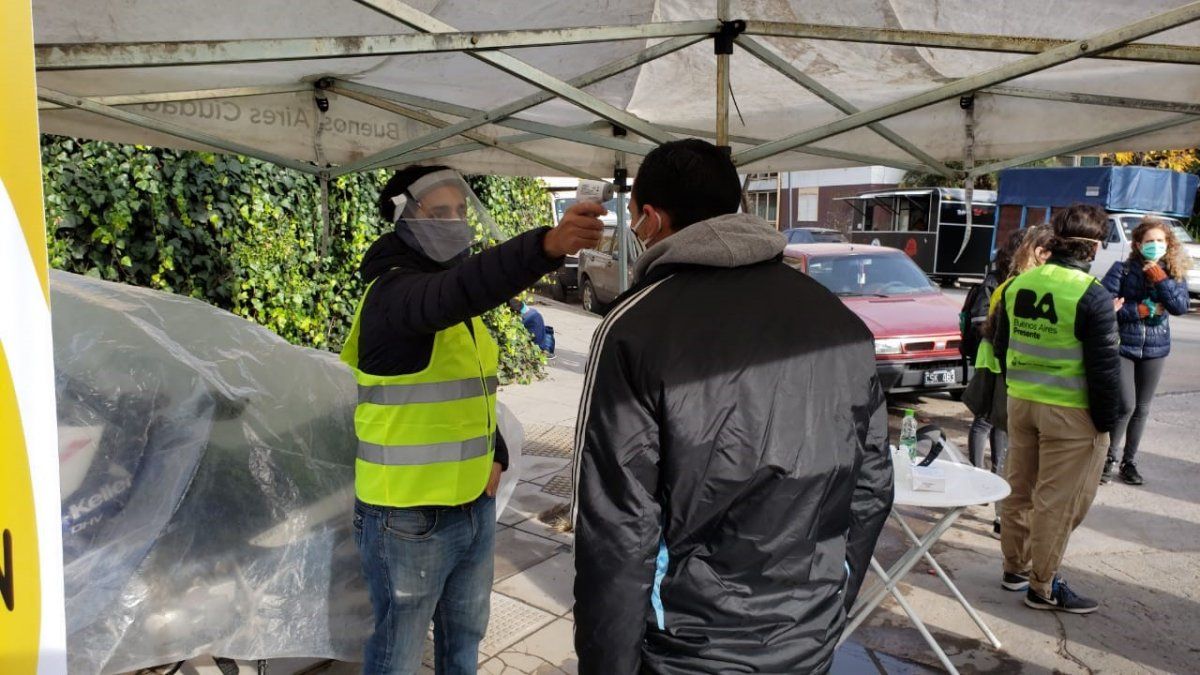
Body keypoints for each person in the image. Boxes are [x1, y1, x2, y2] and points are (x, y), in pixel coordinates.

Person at [572, 139, 893, 673]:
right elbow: (871, 486)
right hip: (807, 637)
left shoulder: (633, 328)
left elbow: (616, 529)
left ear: (651, 218)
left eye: (632, 219)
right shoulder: (837, 319)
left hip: (688, 651)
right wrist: (830, 605)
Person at [341, 165, 602, 674]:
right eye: (439, 213)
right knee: (396, 655)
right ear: (403, 221)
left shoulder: (452, 300)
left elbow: (471, 394)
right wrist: (545, 245)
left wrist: (498, 453)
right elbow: (460, 289)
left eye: (461, 211)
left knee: (463, 644)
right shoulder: (392, 297)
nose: (456, 223)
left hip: (472, 505)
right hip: (406, 516)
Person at [992, 205, 1124, 614]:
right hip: (1070, 412)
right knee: (1057, 501)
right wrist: (1106, 424)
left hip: (1022, 403)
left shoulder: (1020, 284)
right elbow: (1104, 370)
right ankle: (1043, 586)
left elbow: (1001, 347)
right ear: (1094, 246)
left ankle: (1014, 569)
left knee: (1020, 488)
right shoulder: (1093, 295)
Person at [1100, 218, 1191, 486]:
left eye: (1160, 241)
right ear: (1138, 244)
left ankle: (1129, 462)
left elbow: (1179, 306)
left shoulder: (1173, 272)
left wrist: (1160, 279)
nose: (1155, 246)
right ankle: (1108, 458)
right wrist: (1140, 311)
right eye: (1149, 241)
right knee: (1125, 405)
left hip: (1156, 347)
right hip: (1124, 346)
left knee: (1142, 407)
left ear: (1168, 244)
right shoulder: (1123, 270)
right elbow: (1106, 308)